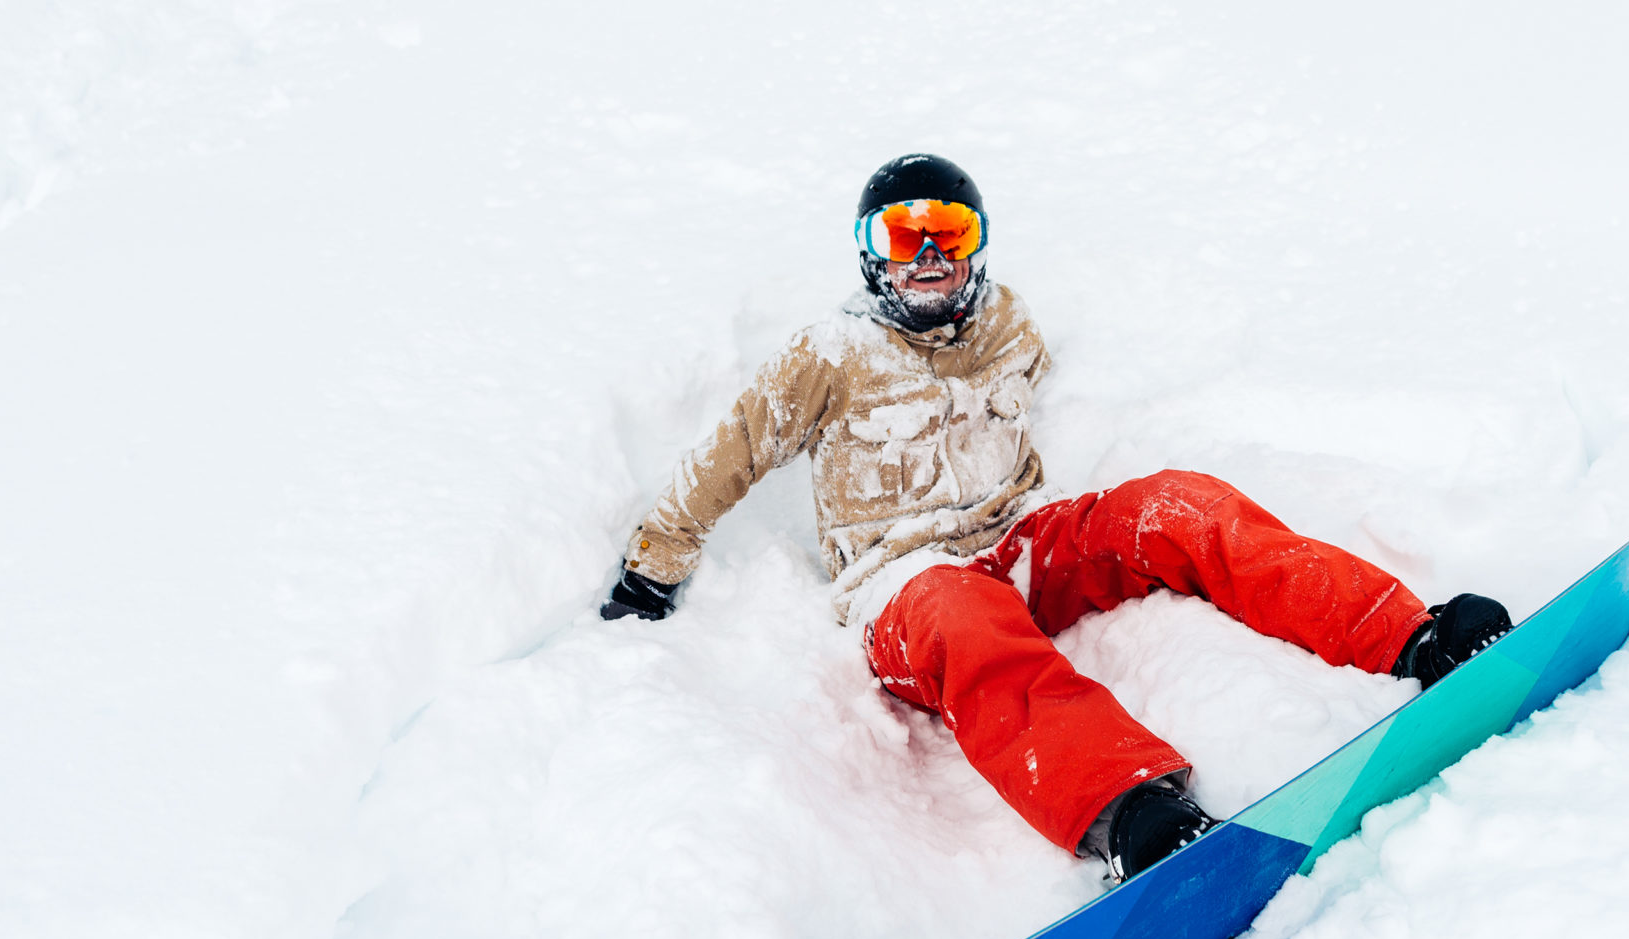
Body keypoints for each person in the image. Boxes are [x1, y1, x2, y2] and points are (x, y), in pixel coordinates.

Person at [602, 154, 1511, 883]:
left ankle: (1413, 638)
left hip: (1018, 548)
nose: (929, 255)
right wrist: (654, 565)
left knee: (1177, 502)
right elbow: (727, 457)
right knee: (968, 618)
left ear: (979, 244)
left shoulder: (1005, 325)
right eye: (904, 234)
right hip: (907, 596)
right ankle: (1131, 811)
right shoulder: (827, 355)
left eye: (948, 234)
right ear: (870, 250)